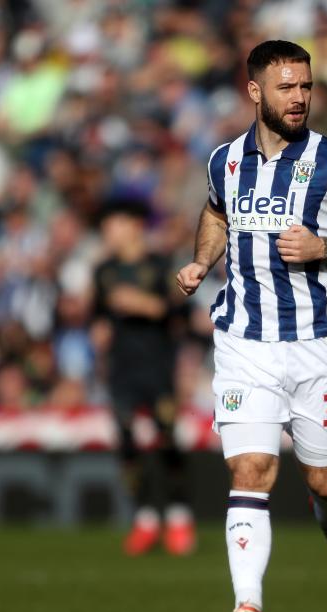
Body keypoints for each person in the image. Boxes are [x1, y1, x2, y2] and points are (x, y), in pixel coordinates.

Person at [175, 40, 327, 612]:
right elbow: (216, 213)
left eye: (306, 86)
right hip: (243, 341)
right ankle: (248, 603)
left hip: (313, 343)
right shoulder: (224, 160)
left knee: (323, 480)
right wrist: (202, 262)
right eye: (286, 87)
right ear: (255, 92)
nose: (299, 98)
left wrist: (326, 247)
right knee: (251, 469)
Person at [93, 199, 196, 556]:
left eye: (114, 223)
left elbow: (181, 313)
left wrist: (143, 304)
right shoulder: (103, 271)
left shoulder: (161, 265)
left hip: (157, 365)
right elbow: (99, 315)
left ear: (135, 225)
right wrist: (99, 331)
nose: (107, 231)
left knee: (165, 439)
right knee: (126, 442)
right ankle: (146, 517)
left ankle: (179, 516)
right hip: (121, 367)